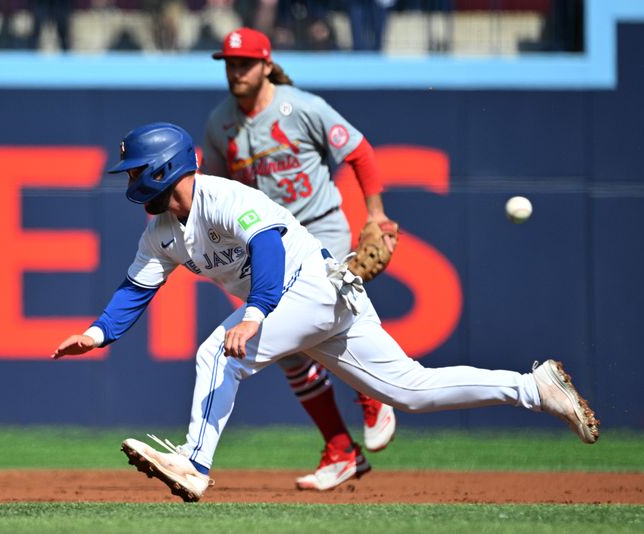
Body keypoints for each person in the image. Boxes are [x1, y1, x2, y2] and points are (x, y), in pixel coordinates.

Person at [52, 121, 600, 503]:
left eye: (134, 170)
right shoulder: (161, 233)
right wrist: (99, 333)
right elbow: (135, 288)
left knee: (218, 352)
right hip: (318, 297)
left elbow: (267, 246)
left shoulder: (221, 197)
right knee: (409, 389)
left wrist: (255, 314)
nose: (128, 180)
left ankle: (194, 465)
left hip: (310, 285)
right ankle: (534, 388)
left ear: (162, 168)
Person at [201, 27, 397, 491]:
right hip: (270, 241)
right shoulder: (219, 123)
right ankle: (341, 449)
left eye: (245, 63)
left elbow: (360, 151)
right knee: (284, 348)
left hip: (322, 229)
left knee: (329, 320)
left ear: (267, 64)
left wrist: (377, 214)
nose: (237, 71)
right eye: (230, 63)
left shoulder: (300, 107)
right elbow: (213, 190)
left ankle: (373, 394)